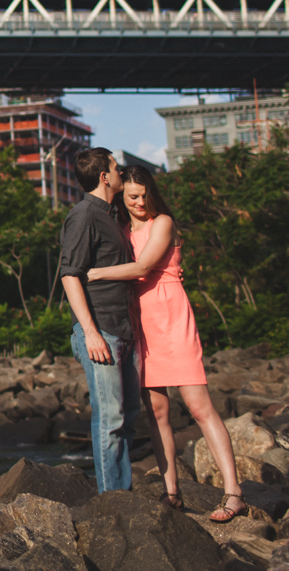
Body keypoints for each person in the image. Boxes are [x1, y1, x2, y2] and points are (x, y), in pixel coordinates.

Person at [87, 164, 245, 522]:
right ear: (122, 198)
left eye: (145, 194)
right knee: (157, 412)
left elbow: (143, 268)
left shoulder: (163, 222)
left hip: (171, 316)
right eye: (132, 196)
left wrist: (94, 273)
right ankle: (172, 492)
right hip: (140, 321)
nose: (141, 201)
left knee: (199, 407)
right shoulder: (122, 229)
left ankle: (234, 493)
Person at [59, 147, 139, 493]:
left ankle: (122, 493)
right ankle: (113, 503)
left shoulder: (110, 214)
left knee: (127, 419)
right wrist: (91, 334)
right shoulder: (84, 215)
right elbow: (69, 275)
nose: (121, 172)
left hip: (123, 330)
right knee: (110, 420)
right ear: (105, 177)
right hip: (101, 331)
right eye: (116, 168)